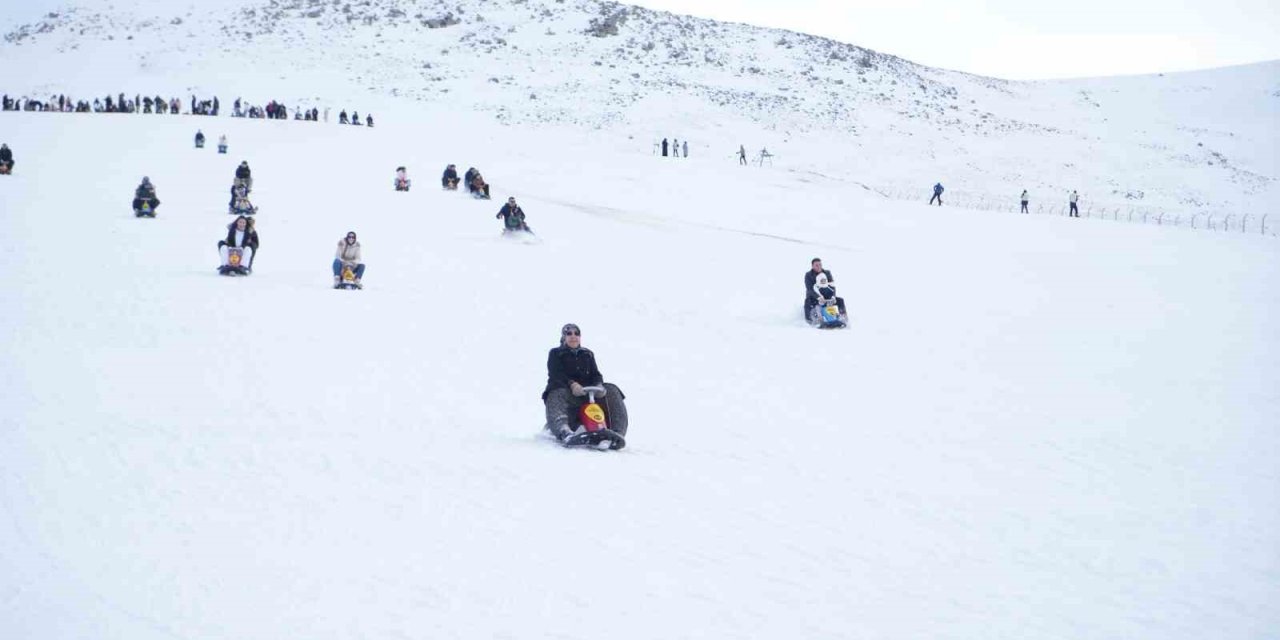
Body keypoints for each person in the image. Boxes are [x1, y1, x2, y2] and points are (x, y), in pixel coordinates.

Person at [542, 323, 604, 442]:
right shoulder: (555, 353)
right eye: (569, 333)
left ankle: (616, 430)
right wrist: (572, 384)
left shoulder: (588, 354)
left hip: (585, 394)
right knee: (556, 389)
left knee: (611, 389)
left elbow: (596, 374)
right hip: (566, 394)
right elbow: (556, 374)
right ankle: (563, 430)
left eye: (576, 333)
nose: (573, 336)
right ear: (563, 337)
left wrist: (598, 385)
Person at [803, 257, 846, 323]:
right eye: (816, 265)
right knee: (807, 301)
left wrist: (833, 296)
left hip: (827, 296)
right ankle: (809, 320)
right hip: (814, 297)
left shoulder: (827, 272)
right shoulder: (808, 275)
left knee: (840, 300)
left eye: (820, 265)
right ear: (812, 266)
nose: (819, 267)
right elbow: (810, 289)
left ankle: (843, 318)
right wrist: (818, 297)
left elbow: (832, 286)